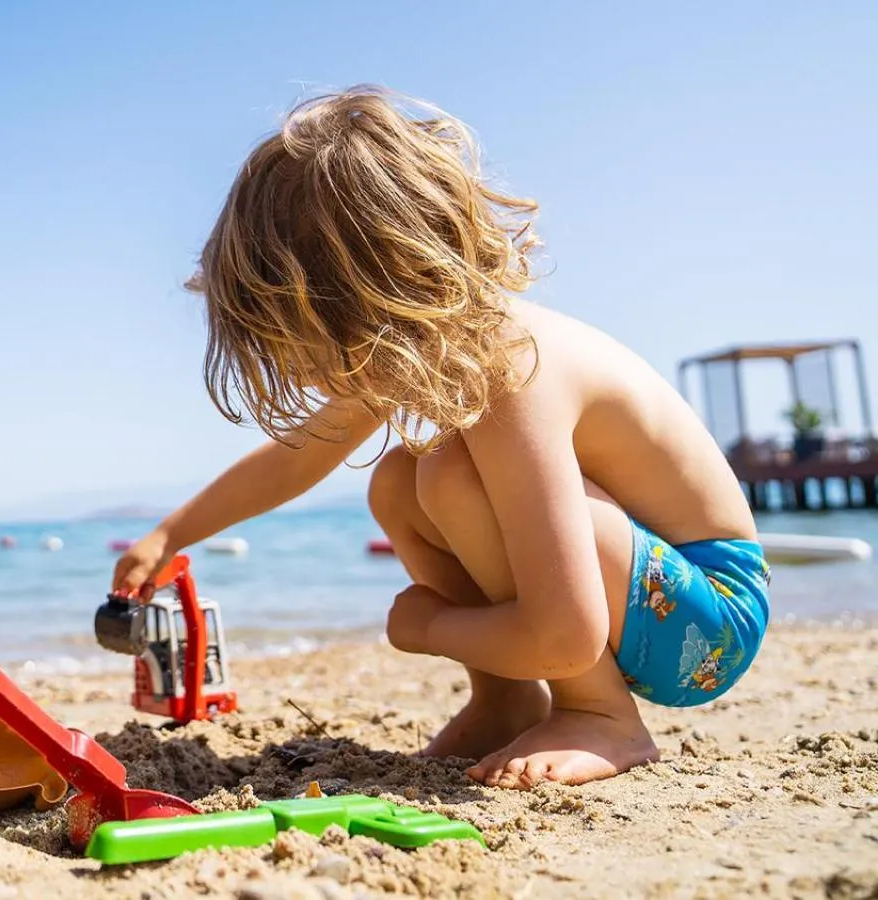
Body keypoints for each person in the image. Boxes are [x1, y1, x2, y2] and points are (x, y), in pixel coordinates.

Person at [112, 85, 769, 789]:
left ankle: (602, 715)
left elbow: (569, 631)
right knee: (401, 477)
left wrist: (431, 629)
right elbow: (296, 458)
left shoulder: (515, 372)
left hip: (708, 622)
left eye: (290, 338)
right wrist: (171, 534)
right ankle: (507, 698)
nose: (293, 367)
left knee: (447, 474)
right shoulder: (440, 347)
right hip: (647, 602)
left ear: (362, 304)